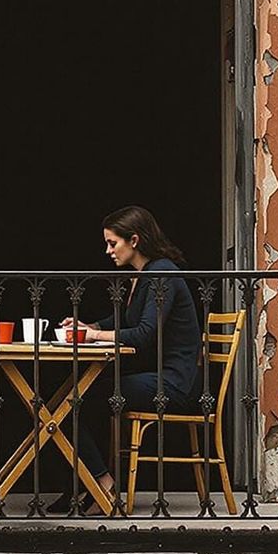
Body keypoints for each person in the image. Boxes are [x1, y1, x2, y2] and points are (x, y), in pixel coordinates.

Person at [63, 205, 202, 512]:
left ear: (135, 240)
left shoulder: (161, 274)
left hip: (175, 384)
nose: (108, 250)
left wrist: (92, 338)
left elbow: (144, 333)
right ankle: (94, 485)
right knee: (81, 397)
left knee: (77, 402)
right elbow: (126, 320)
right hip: (159, 376)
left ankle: (104, 487)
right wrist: (91, 326)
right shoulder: (145, 275)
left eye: (113, 243)